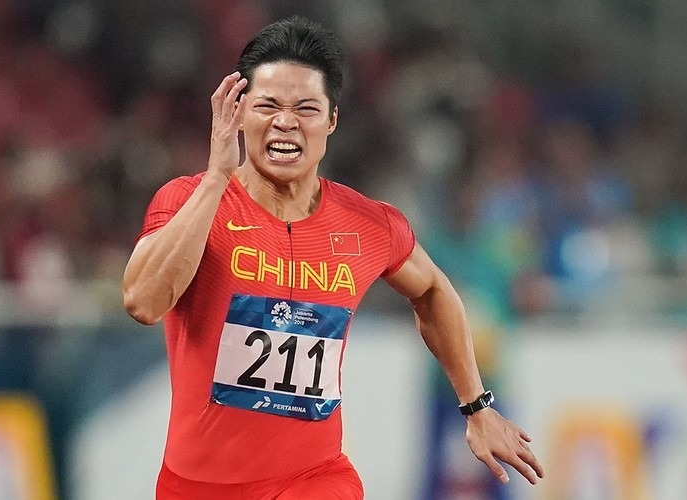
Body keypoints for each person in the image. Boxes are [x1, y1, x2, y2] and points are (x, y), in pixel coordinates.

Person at [122, 15, 544, 499]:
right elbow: (142, 303)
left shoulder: (369, 224)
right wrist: (217, 177)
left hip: (315, 479)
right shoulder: (186, 200)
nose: (286, 122)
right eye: (267, 106)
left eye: (306, 108)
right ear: (238, 114)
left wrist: (476, 405)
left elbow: (432, 289)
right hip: (198, 485)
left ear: (331, 120)